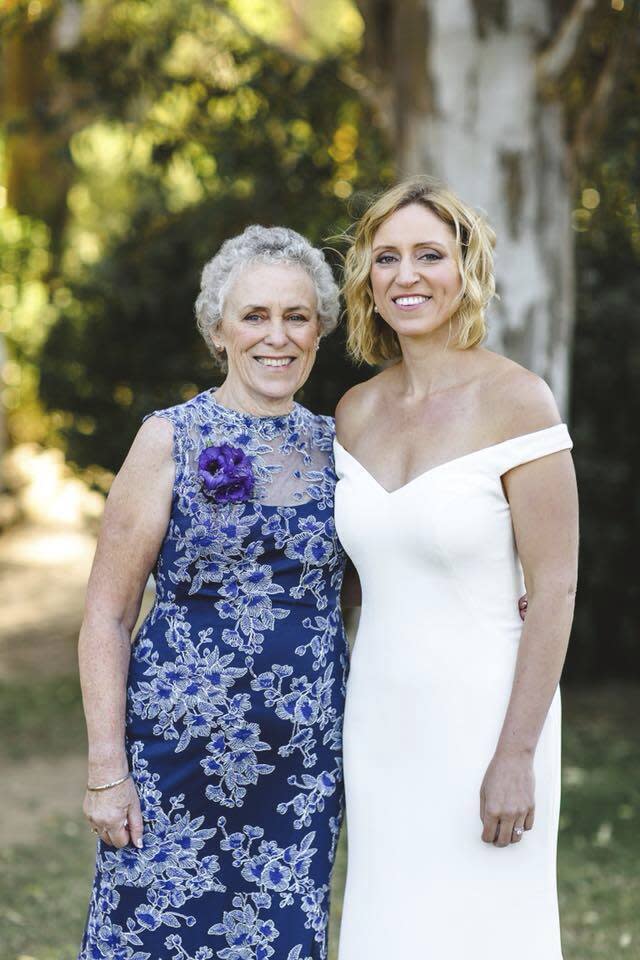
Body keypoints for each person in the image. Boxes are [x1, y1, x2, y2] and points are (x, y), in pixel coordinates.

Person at [78, 225, 349, 960]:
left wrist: (501, 592)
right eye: (255, 316)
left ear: (320, 330)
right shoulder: (169, 439)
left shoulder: (342, 446)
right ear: (218, 329)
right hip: (174, 764)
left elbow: (399, 564)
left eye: (297, 317)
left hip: (300, 771)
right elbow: (106, 613)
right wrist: (108, 770)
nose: (277, 336)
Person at [334, 176, 579, 959]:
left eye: (429, 255)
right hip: (378, 723)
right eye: (387, 258)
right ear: (366, 282)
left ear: (466, 270)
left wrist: (515, 756)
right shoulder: (355, 411)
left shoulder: (520, 402)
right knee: (389, 927)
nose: (407, 275)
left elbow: (557, 588)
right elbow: (344, 575)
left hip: (487, 722)